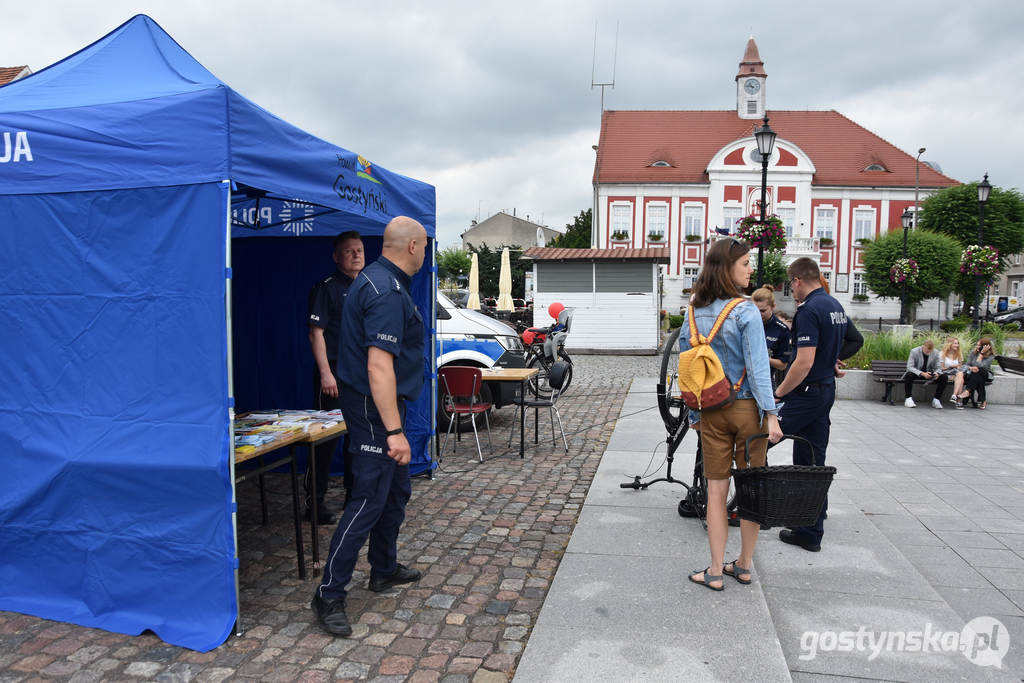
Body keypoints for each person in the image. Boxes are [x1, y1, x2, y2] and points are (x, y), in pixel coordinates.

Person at [312, 216, 428, 637]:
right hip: (372, 410)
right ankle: (329, 594)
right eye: (426, 246)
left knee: (396, 491)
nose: (426, 252)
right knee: (367, 500)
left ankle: (383, 568)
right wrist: (394, 432)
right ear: (413, 246)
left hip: (381, 405)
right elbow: (379, 365)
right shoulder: (384, 290)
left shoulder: (381, 281)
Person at [683, 239, 783, 592]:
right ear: (727, 268)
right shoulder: (745, 311)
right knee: (751, 489)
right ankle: (742, 564)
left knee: (715, 491)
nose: (750, 269)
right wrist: (771, 415)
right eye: (744, 264)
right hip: (746, 410)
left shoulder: (694, 309)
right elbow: (758, 368)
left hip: (710, 410)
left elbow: (687, 364)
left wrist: (693, 411)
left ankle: (713, 569)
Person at [772, 257, 848, 553]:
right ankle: (812, 524)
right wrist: (832, 362)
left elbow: (802, 362)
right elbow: (852, 340)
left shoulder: (809, 310)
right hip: (825, 389)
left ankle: (744, 508)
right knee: (812, 457)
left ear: (798, 280)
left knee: (758, 440)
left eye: (791, 285)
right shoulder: (834, 305)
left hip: (805, 393)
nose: (792, 290)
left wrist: (779, 393)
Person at [306, 231, 364, 523]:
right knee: (325, 442)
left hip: (360, 379)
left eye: (359, 250)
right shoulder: (326, 288)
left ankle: (353, 496)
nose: (356, 255)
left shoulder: (367, 289)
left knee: (356, 439)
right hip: (333, 378)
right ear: (336, 256)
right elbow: (316, 333)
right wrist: (326, 373)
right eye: (349, 251)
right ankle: (313, 504)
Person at [751, 285, 791, 387]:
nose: (759, 314)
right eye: (755, 310)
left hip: (764, 381)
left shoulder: (781, 330)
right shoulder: (745, 323)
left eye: (763, 311)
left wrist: (762, 358)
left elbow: (783, 365)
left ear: (773, 307)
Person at [952, 337, 995, 410]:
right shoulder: (973, 352)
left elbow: (980, 365)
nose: (977, 346)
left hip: (986, 374)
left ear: (984, 346)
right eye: (977, 345)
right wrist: (970, 368)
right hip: (973, 374)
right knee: (977, 375)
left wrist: (981, 354)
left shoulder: (991, 356)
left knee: (979, 370)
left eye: (979, 345)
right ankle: (982, 400)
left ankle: (967, 391)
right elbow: (967, 364)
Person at [901, 340, 945, 409]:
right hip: (917, 373)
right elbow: (909, 367)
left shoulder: (936, 352)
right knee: (909, 375)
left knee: (944, 377)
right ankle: (908, 399)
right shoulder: (914, 351)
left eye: (930, 351)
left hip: (929, 374)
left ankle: (936, 399)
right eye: (927, 351)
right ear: (923, 347)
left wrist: (937, 373)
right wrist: (922, 373)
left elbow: (939, 367)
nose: (929, 353)